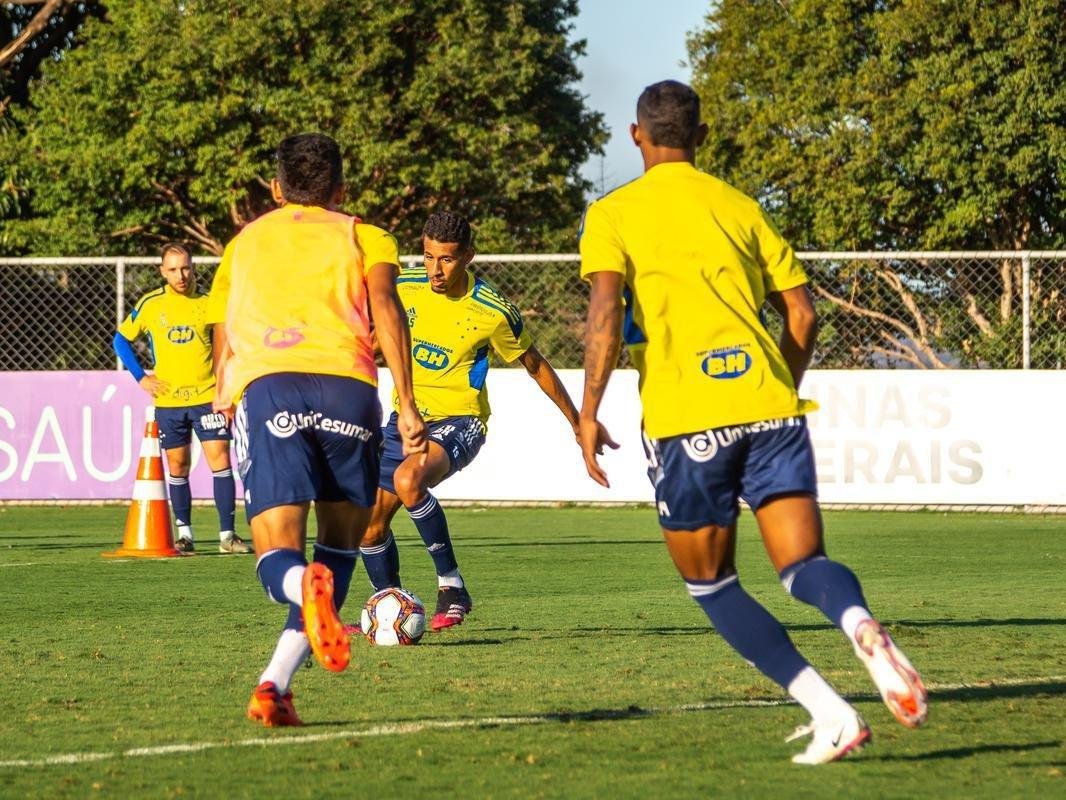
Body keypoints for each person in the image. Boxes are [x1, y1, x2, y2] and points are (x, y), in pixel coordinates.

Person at [577, 80, 928, 765]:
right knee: (804, 567)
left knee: (712, 584)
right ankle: (858, 622)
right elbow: (802, 315)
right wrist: (772, 393)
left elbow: (603, 318)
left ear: (636, 136)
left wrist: (588, 413)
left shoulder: (613, 213)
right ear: (701, 138)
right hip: (771, 407)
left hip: (687, 419)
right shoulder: (740, 206)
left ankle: (831, 712)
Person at [208, 133, 427, 726]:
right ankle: (274, 686)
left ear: (276, 189)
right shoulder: (365, 234)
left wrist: (223, 390)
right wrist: (406, 402)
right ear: (341, 188)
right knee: (338, 550)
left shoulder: (244, 242)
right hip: (350, 393)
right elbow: (388, 308)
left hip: (272, 387)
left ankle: (299, 584)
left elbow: (221, 322)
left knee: (279, 556)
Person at [357, 210, 610, 631]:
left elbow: (536, 365)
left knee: (408, 480)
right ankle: (387, 608)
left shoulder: (494, 310)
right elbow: (377, 336)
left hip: (462, 421)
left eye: (448, 259)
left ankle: (452, 587)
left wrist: (578, 420)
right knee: (367, 527)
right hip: (406, 421)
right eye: (428, 256)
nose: (435, 270)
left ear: (469, 256)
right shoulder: (404, 288)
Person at [112, 244, 248, 555]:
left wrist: (226, 389)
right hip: (170, 402)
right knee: (178, 465)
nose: (181, 275)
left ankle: (228, 535)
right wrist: (141, 377)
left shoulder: (209, 303)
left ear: (193, 267)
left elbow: (228, 347)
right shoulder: (150, 304)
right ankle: (184, 535)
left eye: (185, 267)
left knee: (221, 461)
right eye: (173, 269)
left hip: (207, 397)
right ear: (162, 271)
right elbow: (120, 340)